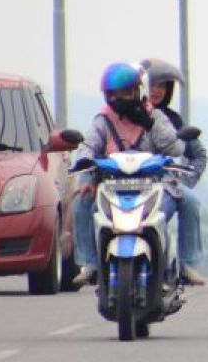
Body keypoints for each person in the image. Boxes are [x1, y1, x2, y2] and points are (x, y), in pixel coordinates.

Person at [70, 62, 187, 287]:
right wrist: (84, 165)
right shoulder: (103, 120)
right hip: (112, 186)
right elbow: (88, 146)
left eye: (126, 92)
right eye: (113, 94)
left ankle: (165, 267)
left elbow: (176, 148)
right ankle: (90, 264)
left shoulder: (156, 116)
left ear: (138, 91)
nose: (119, 99)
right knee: (81, 204)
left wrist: (149, 124)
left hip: (151, 185)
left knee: (161, 214)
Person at [140, 58, 208, 286]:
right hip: (124, 179)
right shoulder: (122, 115)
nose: (155, 91)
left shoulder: (172, 120)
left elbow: (198, 154)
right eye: (151, 85)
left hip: (163, 183)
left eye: (162, 86)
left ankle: (187, 265)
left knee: (189, 201)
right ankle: (91, 263)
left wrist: (185, 182)